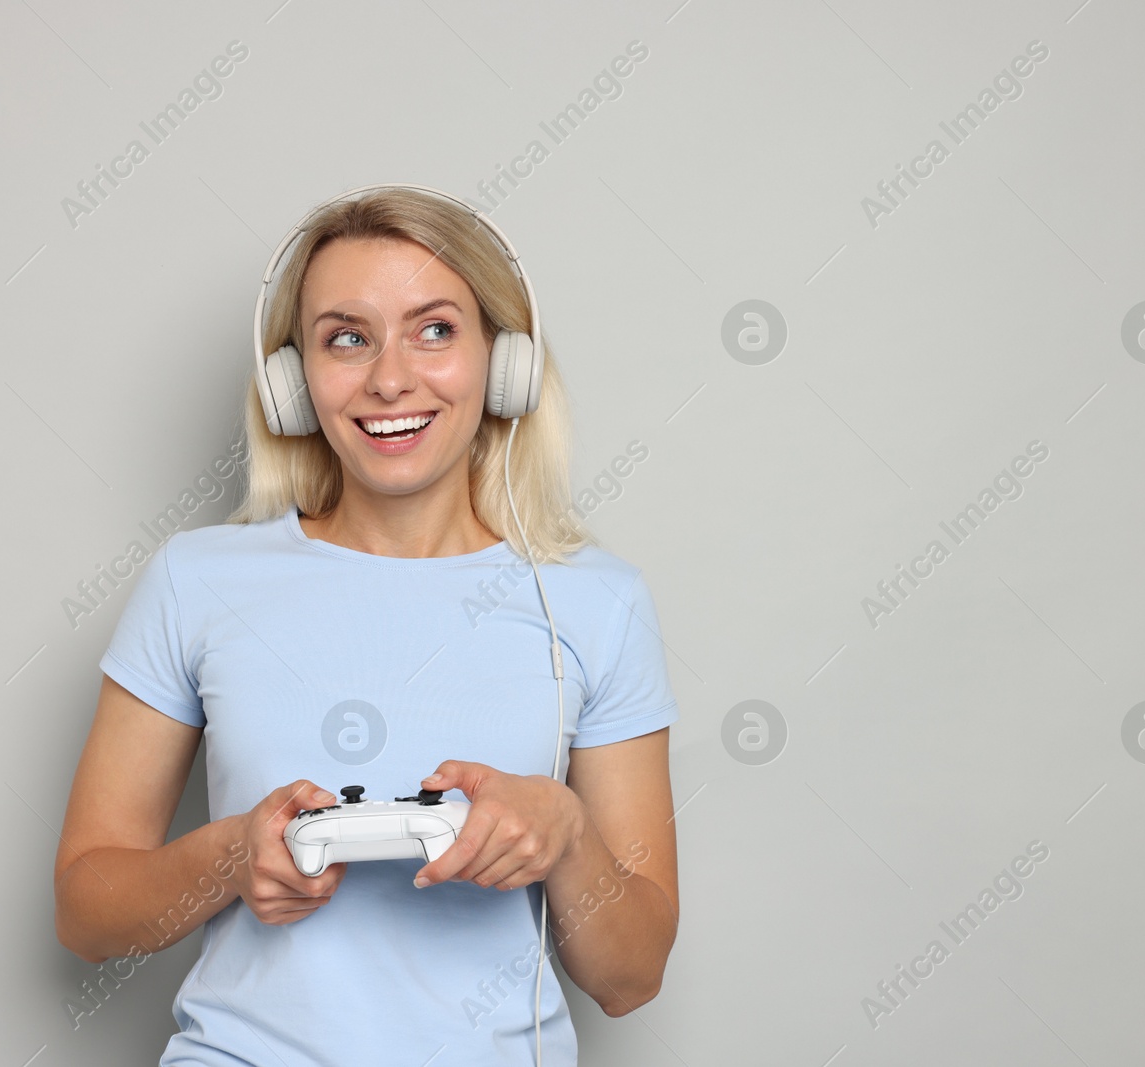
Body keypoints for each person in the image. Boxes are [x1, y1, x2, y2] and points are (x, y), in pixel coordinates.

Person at [52, 185, 680, 1066]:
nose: (390, 378)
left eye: (435, 329)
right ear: (292, 381)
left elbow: (633, 975)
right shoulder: (195, 580)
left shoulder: (593, 602)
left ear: (506, 364)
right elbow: (86, 913)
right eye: (346, 337)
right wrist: (232, 856)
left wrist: (567, 834)